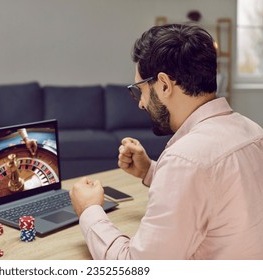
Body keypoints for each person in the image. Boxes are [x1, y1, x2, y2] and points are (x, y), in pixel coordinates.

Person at [69, 24, 263, 259]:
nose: (140, 103)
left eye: (139, 89)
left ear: (163, 84)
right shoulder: (253, 132)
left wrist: (89, 210)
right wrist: (151, 171)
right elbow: (217, 197)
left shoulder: (186, 159)